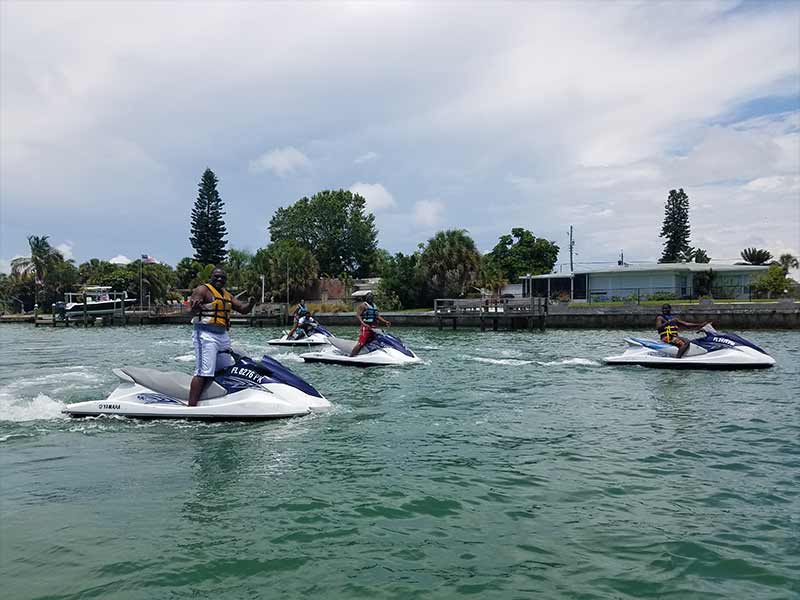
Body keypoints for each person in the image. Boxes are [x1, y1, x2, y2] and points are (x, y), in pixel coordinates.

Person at [188, 268, 255, 406]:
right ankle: (191, 406)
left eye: (222, 278)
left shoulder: (227, 295)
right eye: (217, 277)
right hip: (205, 335)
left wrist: (251, 303)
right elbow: (191, 311)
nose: (219, 280)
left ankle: (216, 400)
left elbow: (242, 309)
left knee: (226, 369)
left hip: (223, 336)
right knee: (204, 372)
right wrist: (195, 307)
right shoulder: (202, 290)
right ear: (211, 277)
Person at [350, 291, 391, 356]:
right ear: (366, 298)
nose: (370, 298)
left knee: (375, 340)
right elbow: (358, 315)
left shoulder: (374, 305)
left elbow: (377, 316)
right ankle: (351, 356)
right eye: (369, 297)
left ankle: (370, 353)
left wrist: (385, 321)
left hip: (373, 326)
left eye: (371, 297)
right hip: (366, 326)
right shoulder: (363, 305)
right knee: (361, 343)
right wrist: (363, 323)